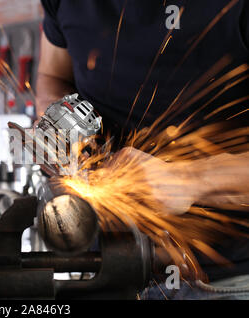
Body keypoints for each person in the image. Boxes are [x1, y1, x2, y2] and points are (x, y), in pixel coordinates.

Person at [36, 0, 249, 299]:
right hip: (102, 270)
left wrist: (187, 181)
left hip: (226, 279)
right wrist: (58, 119)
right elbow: (52, 76)